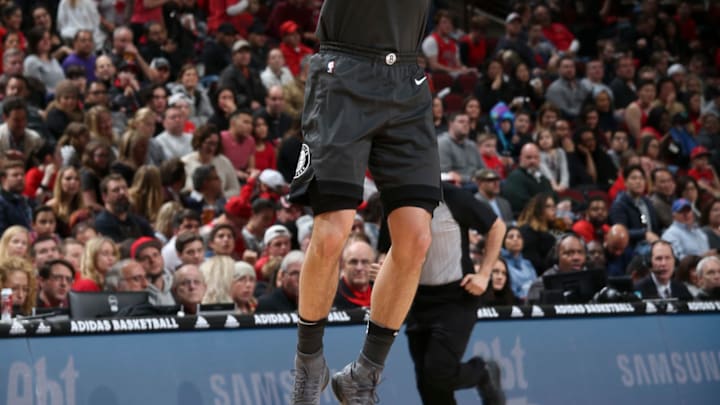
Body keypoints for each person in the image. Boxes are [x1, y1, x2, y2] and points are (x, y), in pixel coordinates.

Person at [286, 2, 443, 403]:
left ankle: (365, 372)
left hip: (407, 79)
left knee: (417, 239)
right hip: (345, 73)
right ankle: (308, 363)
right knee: (331, 231)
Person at [406, 182, 505, 405]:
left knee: (438, 373)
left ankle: (483, 371)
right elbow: (388, 249)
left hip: (455, 298)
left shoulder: (451, 195)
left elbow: (497, 227)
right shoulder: (396, 200)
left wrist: (484, 273)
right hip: (416, 300)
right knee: (427, 385)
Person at [527, 233, 589, 303]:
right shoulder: (541, 284)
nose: (576, 258)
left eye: (580, 252)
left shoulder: (592, 280)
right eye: (569, 253)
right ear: (557, 257)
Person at [94, 174, 154, 243]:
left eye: (125, 188)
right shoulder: (102, 223)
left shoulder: (139, 221)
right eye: (116, 190)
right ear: (105, 197)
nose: (122, 192)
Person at [501, 143, 553, 216]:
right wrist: (546, 208)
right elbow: (519, 204)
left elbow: (553, 196)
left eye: (536, 157)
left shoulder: (541, 177)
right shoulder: (515, 177)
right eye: (528, 157)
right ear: (520, 158)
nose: (533, 161)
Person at [437, 112, 484, 188]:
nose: (466, 125)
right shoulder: (443, 143)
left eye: (468, 122)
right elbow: (446, 174)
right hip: (458, 186)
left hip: (477, 182)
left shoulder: (472, 145)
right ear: (451, 124)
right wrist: (470, 179)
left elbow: (483, 169)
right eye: (461, 121)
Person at [131, 237, 175, 306]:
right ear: (136, 263)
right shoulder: (136, 292)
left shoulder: (176, 284)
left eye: (156, 255)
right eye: (145, 258)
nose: (152, 260)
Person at [333, 239, 375, 310]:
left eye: (365, 262)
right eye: (353, 262)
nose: (359, 268)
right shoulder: (331, 297)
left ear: (373, 264)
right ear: (343, 265)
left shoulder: (381, 295)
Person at [500, 226, 537, 301]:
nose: (515, 239)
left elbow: (536, 287)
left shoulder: (528, 264)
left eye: (519, 236)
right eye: (511, 237)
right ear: (503, 241)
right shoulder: (501, 264)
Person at [0, 159, 32, 234]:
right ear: (3, 179)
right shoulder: (2, 202)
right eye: (15, 175)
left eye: (22, 175)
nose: (20, 178)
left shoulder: (26, 201)